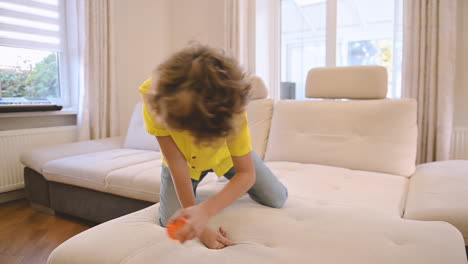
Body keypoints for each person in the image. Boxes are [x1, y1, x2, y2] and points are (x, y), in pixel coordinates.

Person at [139, 44, 288, 250]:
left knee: (277, 198)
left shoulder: (231, 105)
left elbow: (246, 173)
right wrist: (200, 227)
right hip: (184, 163)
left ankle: (224, 183)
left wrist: (206, 210)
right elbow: (176, 161)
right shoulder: (153, 96)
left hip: (225, 157)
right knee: (170, 221)